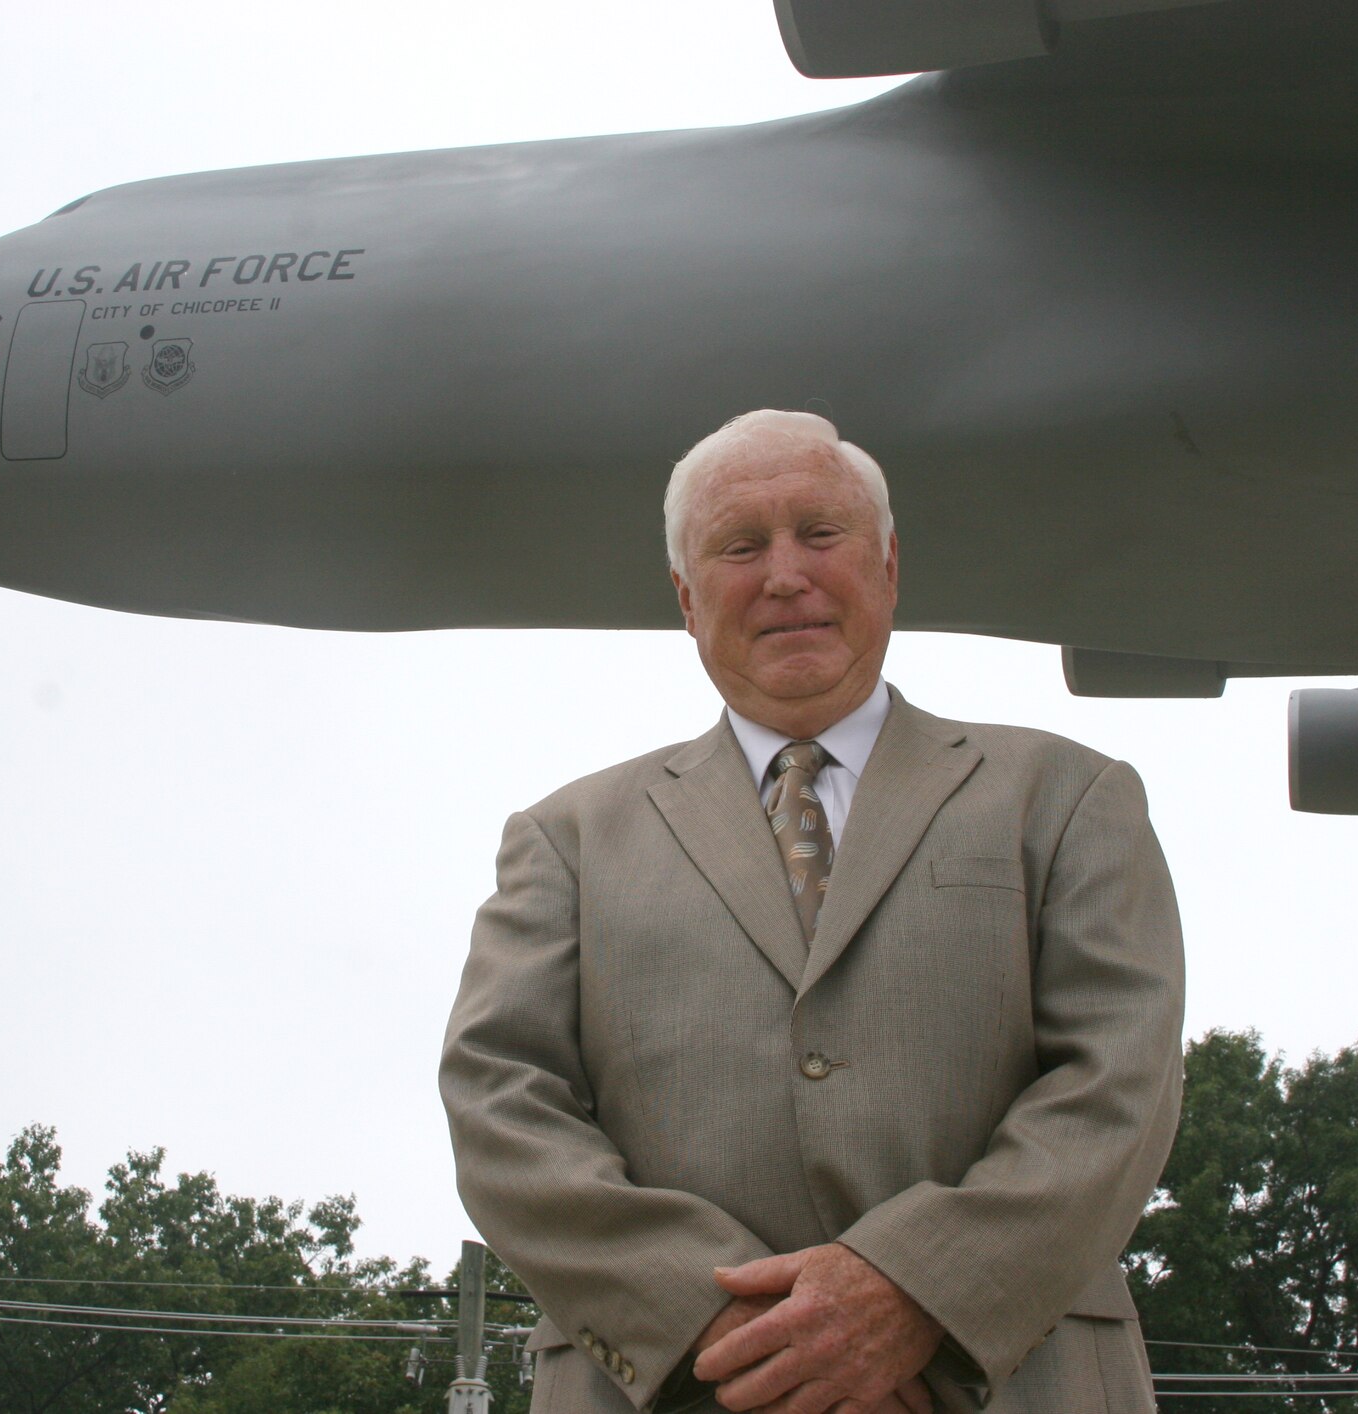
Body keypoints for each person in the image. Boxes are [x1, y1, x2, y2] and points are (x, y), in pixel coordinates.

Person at [439, 410, 1185, 1413]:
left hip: (1015, 1378)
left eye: (819, 534)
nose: (784, 574)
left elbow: (1119, 1082)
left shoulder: (1065, 796)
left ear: (886, 564)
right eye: (739, 546)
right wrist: (733, 1332)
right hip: (673, 1386)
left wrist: (915, 1293)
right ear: (685, 597)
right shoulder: (565, 837)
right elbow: (500, 1104)